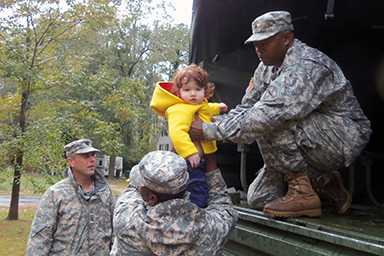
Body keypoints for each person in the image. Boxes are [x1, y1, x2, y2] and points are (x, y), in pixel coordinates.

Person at [189, 11, 371, 217]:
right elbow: (245, 108)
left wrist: (207, 131)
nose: (258, 48)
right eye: (255, 43)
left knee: (270, 119)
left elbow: (267, 115)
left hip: (342, 136)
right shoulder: (264, 68)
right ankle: (321, 180)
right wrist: (207, 121)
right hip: (309, 135)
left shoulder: (305, 64)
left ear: (286, 38)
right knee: (259, 198)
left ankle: (303, 194)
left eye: (265, 41)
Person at [110, 150, 238, 255]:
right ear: (185, 187)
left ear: (152, 198)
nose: (139, 186)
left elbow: (132, 191)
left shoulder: (126, 220)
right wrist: (210, 159)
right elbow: (223, 203)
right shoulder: (213, 228)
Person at [150, 64, 228, 208]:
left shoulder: (198, 104)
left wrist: (218, 108)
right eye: (187, 90)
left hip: (199, 161)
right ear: (178, 92)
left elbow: (206, 109)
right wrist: (190, 153)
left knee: (201, 185)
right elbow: (177, 133)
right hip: (188, 163)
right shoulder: (178, 109)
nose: (193, 94)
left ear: (205, 91)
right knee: (196, 188)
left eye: (198, 89)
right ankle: (196, 209)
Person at [27, 139, 115, 255]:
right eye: (85, 156)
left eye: (93, 155)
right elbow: (40, 240)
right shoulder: (56, 194)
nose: (92, 160)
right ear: (71, 162)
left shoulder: (105, 193)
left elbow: (116, 233)